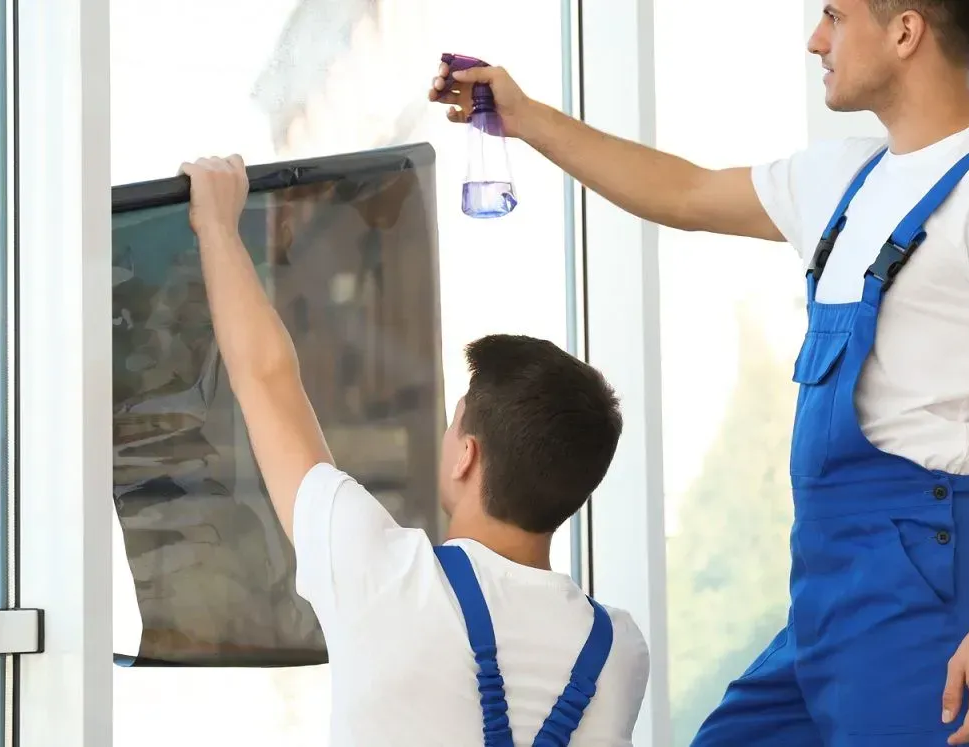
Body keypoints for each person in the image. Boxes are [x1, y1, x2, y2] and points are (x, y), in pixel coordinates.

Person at [429, 0, 969, 745]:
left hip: (924, 593)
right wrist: (524, 117)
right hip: (826, 588)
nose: (817, 40)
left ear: (905, 32)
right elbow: (681, 193)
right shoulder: (844, 182)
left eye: (834, 18)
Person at [178, 154, 651, 746]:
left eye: (454, 425)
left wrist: (217, 227)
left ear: (467, 456)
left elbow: (268, 379)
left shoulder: (384, 577)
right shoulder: (619, 651)